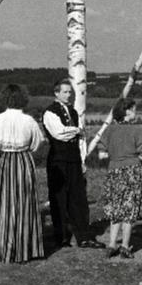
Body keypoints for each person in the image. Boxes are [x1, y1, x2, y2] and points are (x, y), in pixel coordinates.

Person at [0, 84, 45, 263]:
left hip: (3, 161)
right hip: (23, 161)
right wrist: (24, 151)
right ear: (23, 99)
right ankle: (23, 249)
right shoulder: (29, 121)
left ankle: (1, 248)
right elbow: (37, 143)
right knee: (24, 203)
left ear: (4, 99)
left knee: (2, 204)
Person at [43, 79, 105, 249]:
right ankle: (61, 237)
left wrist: (82, 160)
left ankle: (84, 236)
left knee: (79, 198)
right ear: (56, 93)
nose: (68, 95)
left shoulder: (74, 112)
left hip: (74, 160)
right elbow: (59, 133)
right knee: (59, 198)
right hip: (58, 161)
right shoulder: (50, 112)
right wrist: (77, 130)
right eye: (65, 92)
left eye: (70, 92)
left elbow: (81, 140)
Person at [97, 98, 142, 259]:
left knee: (116, 209)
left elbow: (101, 155)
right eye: (134, 109)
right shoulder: (137, 130)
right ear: (127, 111)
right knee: (129, 210)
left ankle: (111, 244)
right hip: (132, 171)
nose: (135, 112)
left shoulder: (109, 130)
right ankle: (125, 247)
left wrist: (116, 153)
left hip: (114, 172)